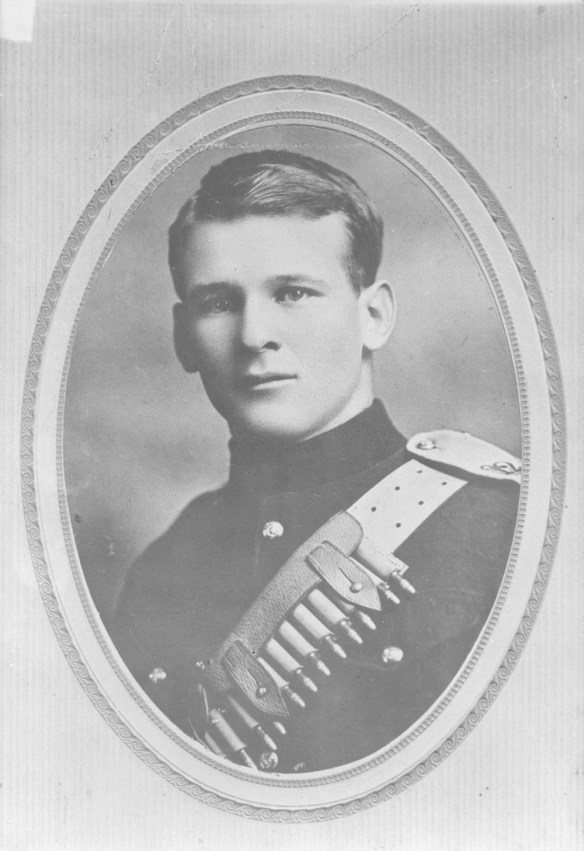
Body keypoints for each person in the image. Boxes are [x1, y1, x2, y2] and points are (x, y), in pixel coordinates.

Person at [112, 150, 520, 774]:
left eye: (293, 293)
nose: (254, 336)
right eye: (219, 303)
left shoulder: (499, 530)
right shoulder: (163, 567)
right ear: (182, 337)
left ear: (374, 316)